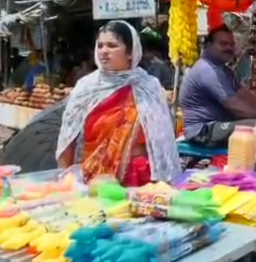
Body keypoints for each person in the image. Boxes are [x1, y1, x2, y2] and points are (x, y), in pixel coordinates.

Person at [56, 20, 181, 185]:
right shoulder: (86, 88)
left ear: (130, 52)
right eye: (100, 46)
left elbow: (163, 142)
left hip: (140, 178)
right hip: (95, 179)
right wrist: (68, 180)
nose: (104, 51)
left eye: (112, 46)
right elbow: (68, 138)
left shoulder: (148, 87)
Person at [179, 25, 256, 148]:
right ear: (208, 46)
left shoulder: (225, 70)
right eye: (223, 44)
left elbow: (244, 95)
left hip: (219, 124)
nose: (229, 48)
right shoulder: (207, 70)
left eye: (231, 44)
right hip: (203, 130)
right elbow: (235, 106)